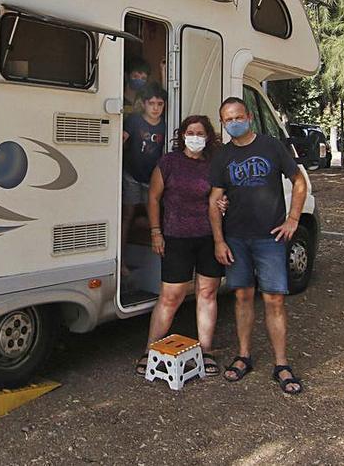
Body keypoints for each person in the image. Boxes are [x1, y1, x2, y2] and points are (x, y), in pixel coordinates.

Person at [209, 97, 308, 394]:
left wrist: (293, 219)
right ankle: (244, 356)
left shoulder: (272, 146)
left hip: (270, 238)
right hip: (236, 238)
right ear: (223, 124)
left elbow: (299, 182)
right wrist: (218, 240)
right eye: (227, 120)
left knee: (274, 300)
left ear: (249, 117)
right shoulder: (222, 156)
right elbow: (214, 201)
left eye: (238, 117)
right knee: (241, 297)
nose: (233, 123)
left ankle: (281, 364)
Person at [134, 115, 224, 377]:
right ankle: (150, 350)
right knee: (171, 296)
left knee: (207, 294)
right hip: (175, 237)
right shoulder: (169, 162)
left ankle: (205, 351)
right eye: (190, 132)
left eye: (200, 133)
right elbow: (153, 197)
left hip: (209, 237)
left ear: (208, 137)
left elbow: (220, 197)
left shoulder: (214, 164)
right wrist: (155, 232)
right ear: (182, 135)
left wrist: (224, 204)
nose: (195, 137)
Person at [122, 85, 167, 243]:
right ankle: (123, 261)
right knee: (127, 215)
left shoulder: (165, 125)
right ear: (144, 103)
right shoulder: (134, 121)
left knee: (154, 218)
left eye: (160, 104)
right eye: (151, 103)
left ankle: (158, 260)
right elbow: (122, 138)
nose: (155, 108)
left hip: (153, 178)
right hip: (131, 175)